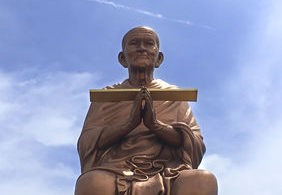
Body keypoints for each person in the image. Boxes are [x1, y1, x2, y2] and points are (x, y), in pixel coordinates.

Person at [75, 26, 218, 195]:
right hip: (116, 168)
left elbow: (195, 143)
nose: (142, 48)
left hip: (169, 169)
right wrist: (128, 124)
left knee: (203, 179)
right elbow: (87, 142)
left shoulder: (173, 96)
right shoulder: (107, 97)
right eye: (134, 43)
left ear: (159, 58)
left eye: (149, 44)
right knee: (92, 182)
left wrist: (155, 125)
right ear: (122, 58)